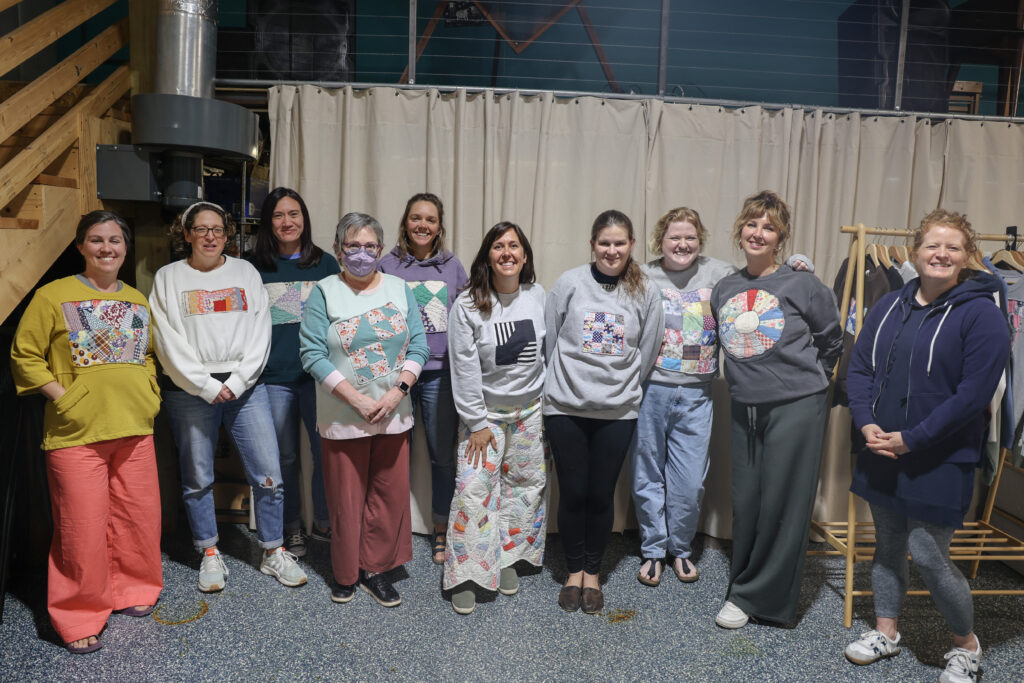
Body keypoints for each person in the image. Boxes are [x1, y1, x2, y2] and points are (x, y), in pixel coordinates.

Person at [843, 210, 1008, 683]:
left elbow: (973, 396)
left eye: (952, 247)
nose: (941, 254)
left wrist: (913, 439)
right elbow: (860, 371)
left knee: (929, 553)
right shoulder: (889, 306)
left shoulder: (983, 315)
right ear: (915, 253)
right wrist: (866, 423)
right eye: (933, 246)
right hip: (882, 449)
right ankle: (886, 632)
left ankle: (966, 644)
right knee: (888, 544)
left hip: (941, 455)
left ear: (967, 256)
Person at [11, 210, 163, 654]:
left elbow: (147, 354)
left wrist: (149, 391)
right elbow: (25, 357)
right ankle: (78, 614)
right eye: (96, 240)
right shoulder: (51, 295)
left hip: (135, 427)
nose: (106, 248)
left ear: (125, 247)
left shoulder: (137, 298)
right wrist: (64, 398)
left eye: (115, 240)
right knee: (82, 527)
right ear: (80, 246)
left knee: (138, 518)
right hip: (76, 432)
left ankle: (134, 589)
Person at [150, 201, 307, 593]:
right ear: (186, 234)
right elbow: (166, 340)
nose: (209, 236)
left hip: (244, 386)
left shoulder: (245, 272)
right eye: (200, 229)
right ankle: (209, 553)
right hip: (187, 389)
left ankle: (273, 552)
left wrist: (236, 383)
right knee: (198, 477)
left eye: (217, 229)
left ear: (227, 234)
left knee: (268, 473)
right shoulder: (168, 277)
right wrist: (204, 384)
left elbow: (260, 331)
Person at [710, 190, 842, 629]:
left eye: (769, 227)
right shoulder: (726, 288)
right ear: (740, 230)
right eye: (752, 224)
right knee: (748, 502)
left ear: (780, 238)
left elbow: (831, 339)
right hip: (745, 406)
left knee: (783, 504)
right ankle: (744, 583)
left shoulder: (802, 283)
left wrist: (809, 385)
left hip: (797, 405)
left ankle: (756, 599)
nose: (758, 233)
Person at [299, 212, 429, 607]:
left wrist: (396, 394)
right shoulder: (324, 291)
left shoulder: (398, 288)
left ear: (380, 249)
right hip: (342, 416)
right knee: (346, 500)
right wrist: (354, 399)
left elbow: (420, 345)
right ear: (339, 249)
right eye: (352, 246)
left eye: (370, 246)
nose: (361, 253)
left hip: (393, 413)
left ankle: (376, 570)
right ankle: (346, 574)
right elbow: (311, 353)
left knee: (388, 498)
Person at [544, 209, 664, 614]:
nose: (611, 250)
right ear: (592, 244)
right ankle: (572, 571)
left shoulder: (645, 289)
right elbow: (551, 339)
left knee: (600, 494)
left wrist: (622, 386)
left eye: (620, 243)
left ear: (631, 245)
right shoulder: (569, 283)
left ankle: (593, 574)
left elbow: (647, 351)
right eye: (604, 243)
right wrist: (563, 386)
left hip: (617, 410)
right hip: (565, 406)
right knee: (573, 492)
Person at [444, 222, 548, 615]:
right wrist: (476, 423)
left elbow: (548, 354)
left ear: (525, 255)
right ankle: (468, 574)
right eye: (499, 246)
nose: (507, 253)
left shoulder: (538, 295)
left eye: (514, 246)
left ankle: (506, 557)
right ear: (487, 254)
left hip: (530, 412)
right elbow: (464, 369)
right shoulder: (468, 305)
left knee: (525, 486)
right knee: (474, 490)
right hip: (485, 415)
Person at [630, 207, 734, 586]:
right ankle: (654, 550)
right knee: (647, 474)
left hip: (698, 395)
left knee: (689, 483)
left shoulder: (720, 273)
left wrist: (798, 263)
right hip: (650, 390)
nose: (683, 244)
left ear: (700, 241)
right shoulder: (642, 274)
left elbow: (762, 286)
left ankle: (681, 548)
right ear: (661, 240)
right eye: (675, 237)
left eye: (690, 237)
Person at [250, 187, 340, 557]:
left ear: (304, 219)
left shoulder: (326, 264)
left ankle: (323, 520)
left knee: (326, 454)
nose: (287, 222)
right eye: (278, 215)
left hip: (319, 380)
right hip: (274, 379)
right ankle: (291, 527)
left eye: (294, 214)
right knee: (283, 459)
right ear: (268, 222)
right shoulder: (254, 268)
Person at [379, 193, 468, 564]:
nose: (422, 225)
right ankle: (391, 529)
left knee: (440, 458)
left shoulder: (452, 266)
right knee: (392, 456)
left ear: (439, 227)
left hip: (438, 375)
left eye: (430, 220)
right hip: (394, 376)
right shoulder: (386, 265)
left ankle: (441, 527)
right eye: (416, 218)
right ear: (405, 222)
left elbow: (465, 318)